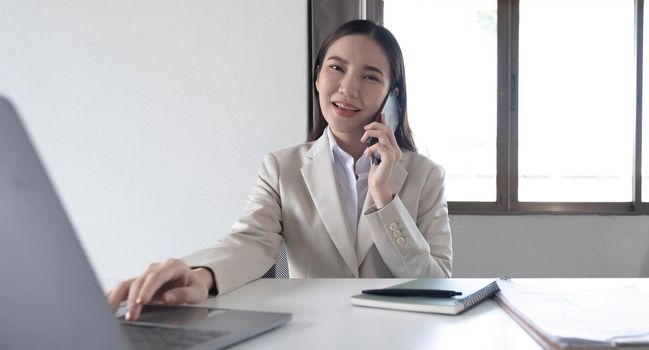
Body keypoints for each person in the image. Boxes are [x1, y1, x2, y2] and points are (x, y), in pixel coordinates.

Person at [107, 19, 452, 321]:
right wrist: (200, 275)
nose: (348, 87)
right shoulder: (281, 168)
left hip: (398, 336)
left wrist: (385, 197)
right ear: (317, 78)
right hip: (313, 335)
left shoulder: (426, 177)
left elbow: (436, 283)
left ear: (391, 97)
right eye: (336, 68)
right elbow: (249, 243)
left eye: (370, 76)